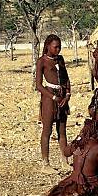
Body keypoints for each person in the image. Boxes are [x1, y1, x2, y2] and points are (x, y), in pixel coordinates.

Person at [46, 119, 98, 196]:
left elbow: (66, 152)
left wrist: (78, 138)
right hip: (90, 183)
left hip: (75, 181)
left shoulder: (78, 143)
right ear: (97, 133)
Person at [36, 34, 71, 173]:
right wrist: (53, 97)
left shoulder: (60, 60)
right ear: (48, 46)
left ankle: (64, 161)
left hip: (62, 97)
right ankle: (45, 164)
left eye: (59, 47)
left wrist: (67, 94)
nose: (58, 49)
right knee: (47, 130)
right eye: (55, 47)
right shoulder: (42, 61)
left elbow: (66, 79)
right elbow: (38, 85)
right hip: (49, 98)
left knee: (62, 131)